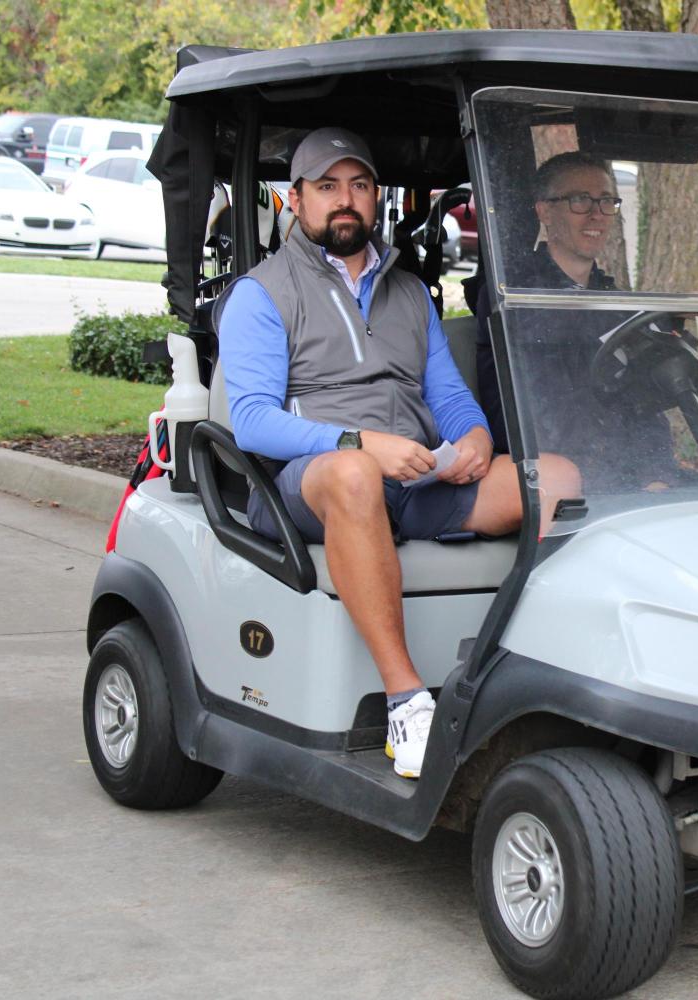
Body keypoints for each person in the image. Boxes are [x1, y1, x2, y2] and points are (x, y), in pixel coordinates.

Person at [218, 128, 576, 779]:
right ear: (295, 199)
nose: (345, 199)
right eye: (327, 186)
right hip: (309, 485)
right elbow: (253, 422)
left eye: (358, 185)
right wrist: (359, 443)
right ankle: (407, 702)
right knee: (356, 475)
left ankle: (541, 673)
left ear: (374, 196)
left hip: (413, 479)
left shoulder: (408, 292)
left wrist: (474, 438)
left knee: (555, 478)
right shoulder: (262, 292)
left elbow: (450, 395)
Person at [474, 150, 698, 490]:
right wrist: (665, 309)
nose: (597, 214)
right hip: (549, 477)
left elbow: (641, 404)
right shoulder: (513, 293)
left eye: (607, 201)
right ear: (545, 211)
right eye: (581, 201)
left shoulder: (610, 298)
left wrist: (657, 477)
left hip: (621, 475)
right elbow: (551, 392)